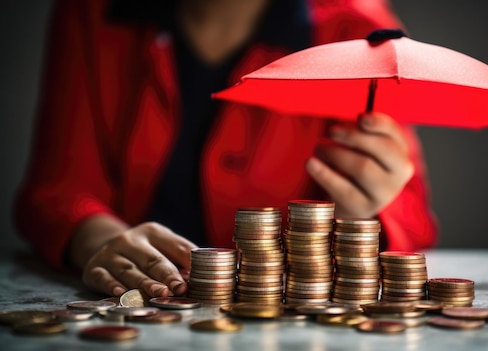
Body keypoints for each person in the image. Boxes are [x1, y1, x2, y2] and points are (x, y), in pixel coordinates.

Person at [13, 0, 438, 299]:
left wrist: (367, 211)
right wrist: (100, 239)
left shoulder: (359, 29)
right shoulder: (91, 11)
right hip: (144, 302)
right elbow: (54, 192)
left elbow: (414, 224)